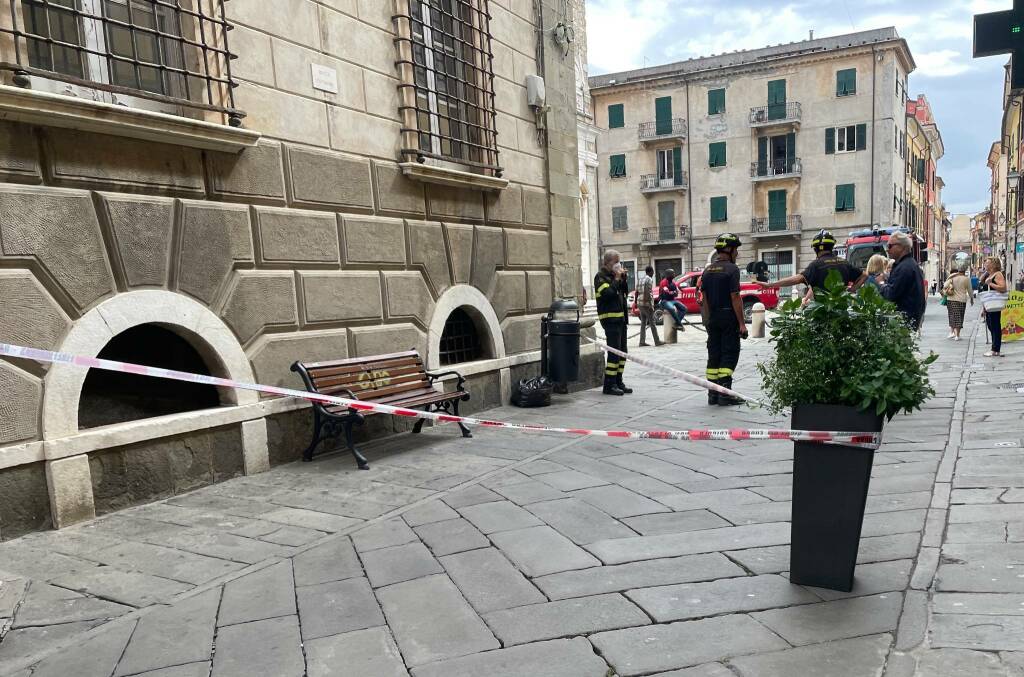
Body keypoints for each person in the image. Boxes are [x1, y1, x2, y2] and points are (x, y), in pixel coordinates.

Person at [701, 233, 748, 406]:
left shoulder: (707, 270)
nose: (737, 254)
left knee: (714, 356)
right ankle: (725, 395)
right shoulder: (732, 269)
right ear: (729, 250)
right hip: (728, 316)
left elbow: (704, 298)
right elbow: (735, 297)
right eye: (736, 250)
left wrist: (707, 321)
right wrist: (742, 324)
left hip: (712, 318)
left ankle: (713, 394)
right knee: (729, 354)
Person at [758, 230, 868, 296]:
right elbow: (864, 275)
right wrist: (853, 289)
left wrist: (770, 285)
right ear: (832, 246)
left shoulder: (816, 265)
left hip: (823, 310)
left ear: (815, 249)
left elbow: (797, 279)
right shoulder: (844, 263)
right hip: (842, 309)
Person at [594, 250, 631, 395]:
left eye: (619, 262)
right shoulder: (600, 277)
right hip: (610, 319)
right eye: (616, 262)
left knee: (622, 352)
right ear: (608, 262)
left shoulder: (613, 277)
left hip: (621, 319)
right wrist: (616, 279)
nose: (618, 265)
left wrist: (623, 279)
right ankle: (609, 384)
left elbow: (624, 292)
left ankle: (618, 381)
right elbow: (608, 294)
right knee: (614, 353)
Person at [879, 231, 926, 330]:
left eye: (890, 246)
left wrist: (881, 283)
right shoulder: (909, 264)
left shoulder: (904, 267)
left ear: (902, 247)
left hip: (903, 320)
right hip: (909, 319)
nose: (887, 250)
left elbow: (891, 294)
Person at [980, 257, 1008, 357]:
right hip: (989, 304)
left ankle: (995, 349)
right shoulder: (989, 274)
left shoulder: (998, 274)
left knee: (995, 325)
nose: (985, 264)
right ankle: (995, 347)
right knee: (991, 325)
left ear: (993, 264)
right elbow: (983, 285)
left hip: (995, 303)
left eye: (987, 263)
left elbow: (1003, 288)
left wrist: (990, 283)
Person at [942, 266, 972, 341]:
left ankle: (953, 333)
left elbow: (945, 285)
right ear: (964, 272)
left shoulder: (952, 278)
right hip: (962, 300)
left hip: (951, 299)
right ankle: (957, 335)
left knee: (952, 316)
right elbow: (970, 290)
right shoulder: (966, 279)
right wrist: (971, 298)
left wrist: (950, 277)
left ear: (958, 271)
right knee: (960, 316)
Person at [637, 266, 663, 347]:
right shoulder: (649, 279)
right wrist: (649, 304)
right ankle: (657, 341)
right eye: (653, 271)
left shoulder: (640, 279)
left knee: (643, 323)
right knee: (652, 323)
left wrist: (637, 302)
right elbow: (647, 291)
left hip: (639, 303)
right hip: (646, 303)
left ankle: (642, 341)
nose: (653, 273)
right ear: (650, 271)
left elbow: (637, 291)